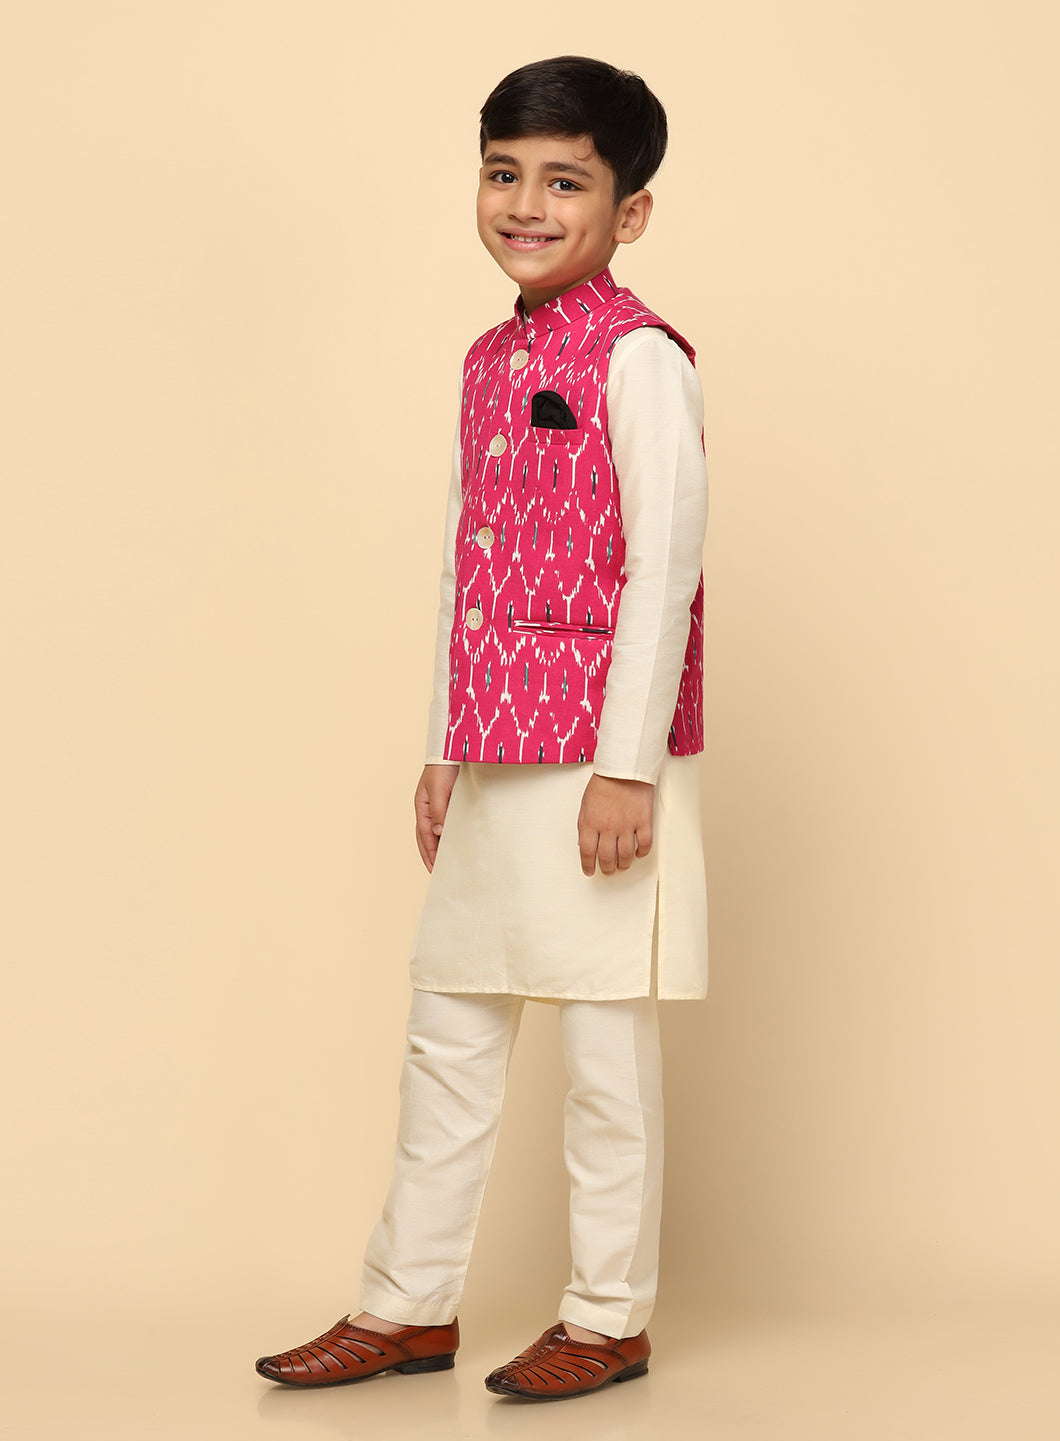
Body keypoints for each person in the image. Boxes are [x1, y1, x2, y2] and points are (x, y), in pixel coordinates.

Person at [255, 53, 710, 1403]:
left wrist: (626, 766)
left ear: (629, 210)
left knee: (603, 1050)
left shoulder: (640, 358)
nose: (526, 204)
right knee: (446, 1031)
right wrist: (444, 741)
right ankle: (407, 1306)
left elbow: (665, 566)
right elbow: (470, 559)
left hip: (599, 761)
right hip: (494, 749)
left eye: (566, 182)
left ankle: (608, 1316)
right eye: (504, 174)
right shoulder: (487, 359)